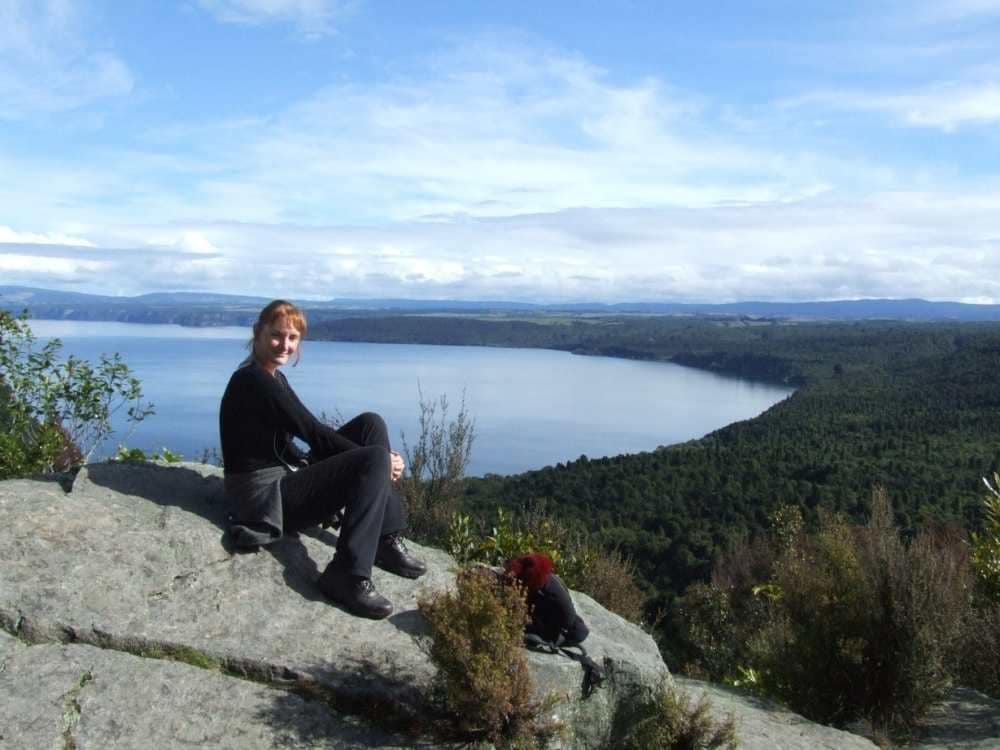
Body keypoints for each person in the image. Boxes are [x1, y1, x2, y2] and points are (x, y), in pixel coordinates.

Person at [219, 299, 426, 620]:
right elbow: (312, 432)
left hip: (285, 477)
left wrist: (379, 458)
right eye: (276, 336)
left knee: (370, 424)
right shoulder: (253, 381)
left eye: (292, 338)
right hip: (263, 500)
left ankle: (383, 539)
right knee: (371, 459)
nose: (284, 345)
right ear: (258, 333)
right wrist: (382, 460)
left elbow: (310, 430)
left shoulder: (272, 377)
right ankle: (347, 573)